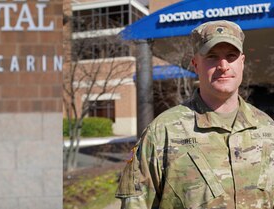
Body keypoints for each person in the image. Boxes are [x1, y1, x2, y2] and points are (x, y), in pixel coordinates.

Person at [116, 20, 274, 208]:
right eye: (212, 57)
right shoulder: (162, 133)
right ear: (196, 64)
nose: (223, 65)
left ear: (242, 62)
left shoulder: (267, 129)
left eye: (231, 56)